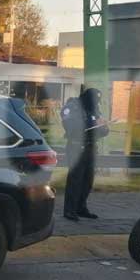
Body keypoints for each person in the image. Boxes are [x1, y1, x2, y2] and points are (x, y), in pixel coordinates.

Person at [61, 87, 108, 221]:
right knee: (75, 180)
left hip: (91, 147)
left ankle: (81, 207)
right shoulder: (72, 107)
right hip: (77, 147)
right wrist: (93, 123)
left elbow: (102, 132)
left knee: (87, 180)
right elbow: (71, 126)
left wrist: (104, 127)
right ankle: (69, 210)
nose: (96, 103)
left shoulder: (94, 109)